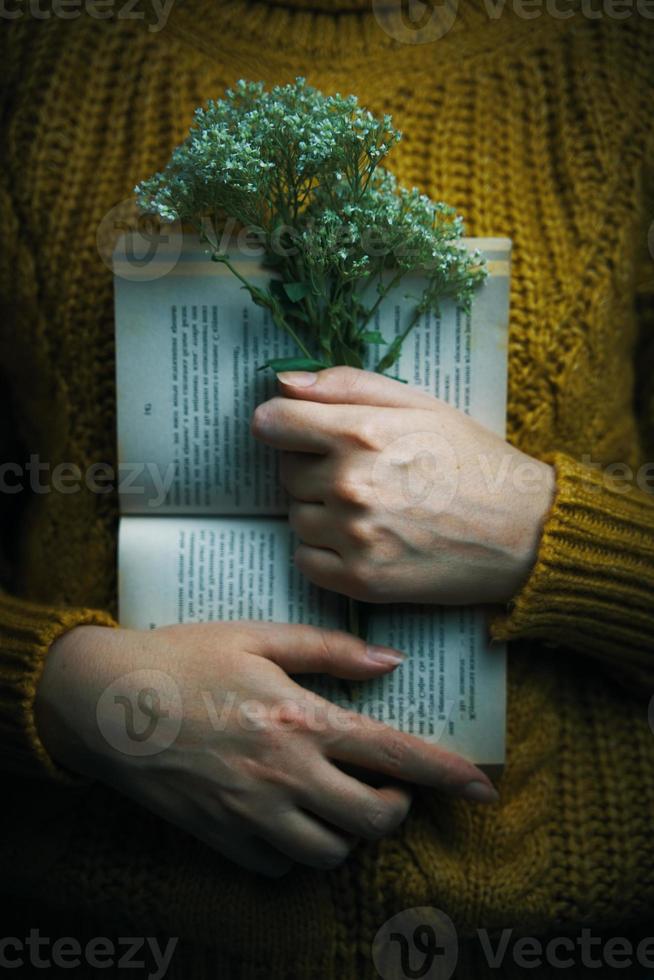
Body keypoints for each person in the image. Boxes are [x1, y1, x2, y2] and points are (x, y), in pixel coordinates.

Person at [1, 1, 653, 978]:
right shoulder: (37, 47)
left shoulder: (624, 55)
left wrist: (545, 528)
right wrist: (73, 695)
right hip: (108, 929)